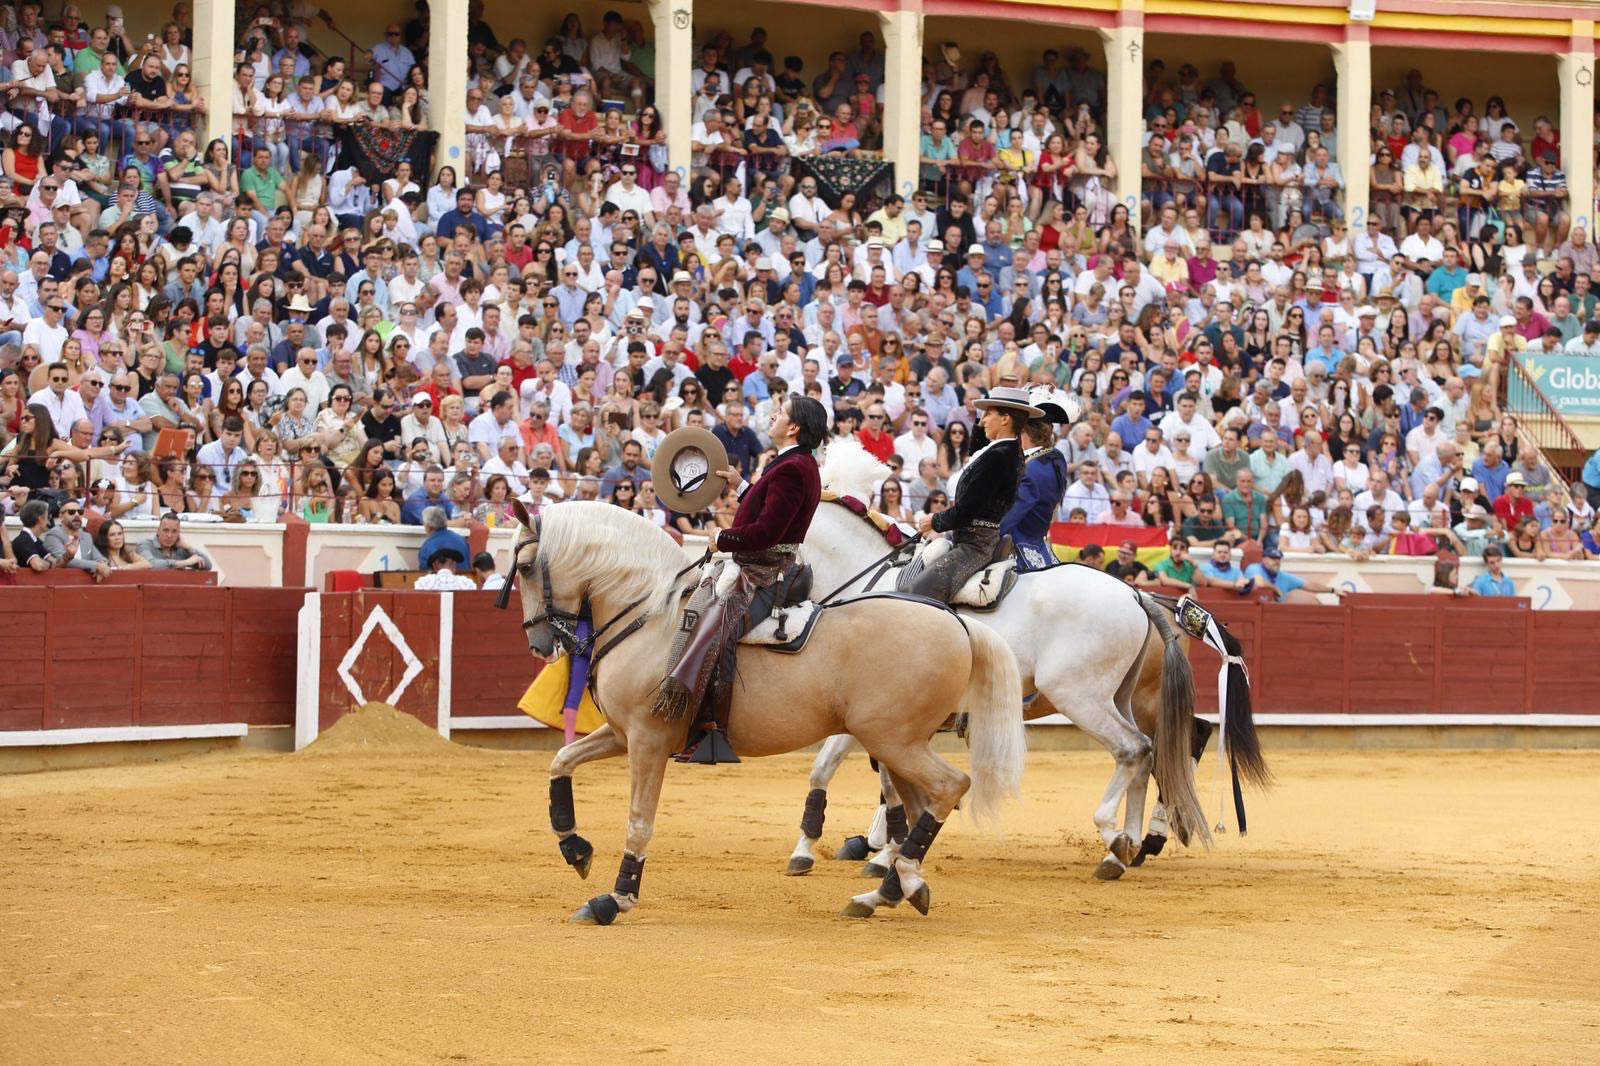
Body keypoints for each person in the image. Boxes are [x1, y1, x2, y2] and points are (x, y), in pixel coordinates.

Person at [656, 395, 829, 733]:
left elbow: (767, 532)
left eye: (781, 413)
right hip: (761, 566)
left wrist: (723, 538)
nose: (774, 416)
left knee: (717, 631)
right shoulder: (795, 463)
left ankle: (711, 727)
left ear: (793, 428)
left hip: (764, 572)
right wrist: (743, 486)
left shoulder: (792, 468)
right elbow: (773, 512)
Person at [909, 385, 1040, 601]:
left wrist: (935, 521)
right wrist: (984, 422)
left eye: (988, 414)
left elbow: (967, 510)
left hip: (975, 545)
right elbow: (977, 454)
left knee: (916, 594)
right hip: (971, 538)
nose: (983, 419)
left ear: (1005, 419)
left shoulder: (1000, 456)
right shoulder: (1003, 450)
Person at [1000, 407, 1069, 571]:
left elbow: (1010, 518)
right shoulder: (1053, 460)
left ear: (1021, 430)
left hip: (1019, 548)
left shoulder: (1030, 469)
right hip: (1040, 545)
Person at [43, 498, 112, 581]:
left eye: (80, 512)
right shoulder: (53, 535)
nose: (77, 515)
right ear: (61, 517)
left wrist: (103, 565)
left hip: (84, 584)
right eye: (71, 512)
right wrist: (96, 566)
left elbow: (100, 558)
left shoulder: (86, 536)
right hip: (60, 582)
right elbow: (64, 561)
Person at [1244, 545, 1341, 603]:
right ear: (1264, 560)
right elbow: (1259, 582)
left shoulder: (1283, 577)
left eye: (1278, 559)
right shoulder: (1254, 568)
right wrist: (1275, 588)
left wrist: (1332, 590)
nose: (1277, 562)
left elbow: (1309, 585)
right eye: (1273, 559)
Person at [137, 513, 213, 570]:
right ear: (158, 531)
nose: (169, 535)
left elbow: (208, 566)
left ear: (178, 533)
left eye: (174, 531)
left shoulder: (182, 549)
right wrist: (186, 562)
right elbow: (150, 564)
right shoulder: (145, 545)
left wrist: (187, 547)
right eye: (166, 530)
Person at [416, 505, 469, 571]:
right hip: (463, 579)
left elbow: (424, 575)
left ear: (428, 527)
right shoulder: (462, 540)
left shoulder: (426, 547)